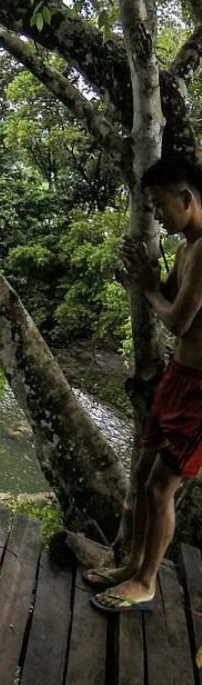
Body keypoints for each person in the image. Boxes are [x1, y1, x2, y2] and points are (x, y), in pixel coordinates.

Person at [88, 156, 202, 613]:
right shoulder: (186, 247)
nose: (156, 215)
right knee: (141, 474)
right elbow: (168, 291)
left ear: (186, 198)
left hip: (199, 392)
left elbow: (176, 318)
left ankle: (147, 581)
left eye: (159, 205)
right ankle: (132, 563)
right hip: (178, 377)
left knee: (160, 487)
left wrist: (148, 289)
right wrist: (146, 274)